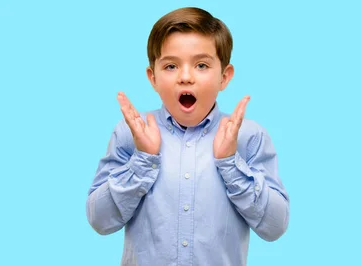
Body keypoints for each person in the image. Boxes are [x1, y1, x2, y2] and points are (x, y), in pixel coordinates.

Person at [86, 7, 290, 266]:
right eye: (170, 66)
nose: (185, 77)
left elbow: (275, 227)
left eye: (201, 65)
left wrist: (230, 163)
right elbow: (100, 221)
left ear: (224, 76)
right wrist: (143, 160)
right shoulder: (130, 134)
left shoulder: (249, 137)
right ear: (153, 77)